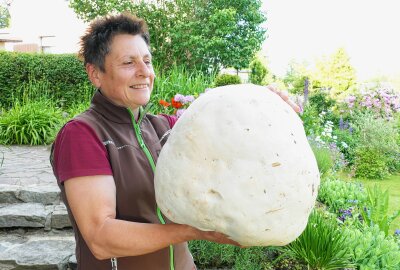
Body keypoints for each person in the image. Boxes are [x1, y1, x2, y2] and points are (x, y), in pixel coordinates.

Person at [50, 12, 300, 270]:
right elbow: (101, 237)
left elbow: (227, 122)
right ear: (95, 73)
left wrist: (263, 101)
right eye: (128, 63)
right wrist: (190, 231)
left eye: (147, 61)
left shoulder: (163, 128)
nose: (144, 71)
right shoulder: (83, 134)